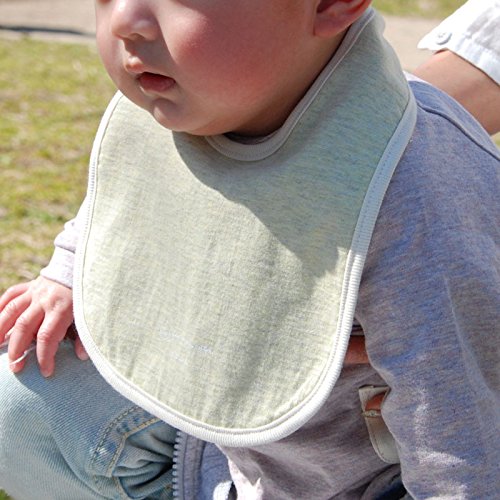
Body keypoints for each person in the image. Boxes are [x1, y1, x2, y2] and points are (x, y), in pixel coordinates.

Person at [0, 1, 499, 499]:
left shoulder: (414, 184)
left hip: (366, 479)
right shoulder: (179, 90)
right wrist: (69, 269)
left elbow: (461, 419)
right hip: (225, 446)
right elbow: (130, 194)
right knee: (17, 399)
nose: (125, 21)